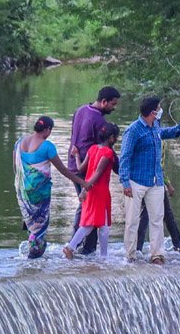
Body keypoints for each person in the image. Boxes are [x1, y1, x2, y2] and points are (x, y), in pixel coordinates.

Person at [119, 97, 180, 264]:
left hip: (155, 182)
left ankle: (157, 255)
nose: (160, 111)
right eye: (159, 109)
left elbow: (164, 133)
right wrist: (125, 183)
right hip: (136, 181)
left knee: (157, 219)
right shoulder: (133, 130)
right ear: (153, 113)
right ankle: (130, 255)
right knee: (132, 221)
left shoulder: (155, 127)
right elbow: (124, 158)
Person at [13, 116, 89, 259]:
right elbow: (64, 171)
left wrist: (23, 189)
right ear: (47, 129)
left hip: (23, 192)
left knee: (32, 225)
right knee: (39, 228)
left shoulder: (19, 143)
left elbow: (15, 170)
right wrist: (82, 182)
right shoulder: (47, 146)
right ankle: (34, 257)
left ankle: (30, 260)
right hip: (40, 194)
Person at [67, 86, 121, 255]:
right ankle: (85, 249)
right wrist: (120, 168)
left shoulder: (80, 110)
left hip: (75, 165)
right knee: (88, 210)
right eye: (113, 104)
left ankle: (78, 246)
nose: (114, 107)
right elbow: (107, 150)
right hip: (88, 171)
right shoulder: (99, 122)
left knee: (85, 208)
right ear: (103, 102)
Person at [64, 123, 118, 259]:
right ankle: (101, 255)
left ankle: (73, 248)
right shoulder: (108, 152)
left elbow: (81, 168)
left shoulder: (92, 149)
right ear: (111, 138)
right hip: (99, 191)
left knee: (93, 224)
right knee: (99, 226)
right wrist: (87, 187)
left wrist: (76, 155)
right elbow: (98, 173)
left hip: (89, 191)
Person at [134, 146, 180, 255]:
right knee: (158, 214)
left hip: (151, 181)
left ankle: (138, 249)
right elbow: (159, 166)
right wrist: (168, 184)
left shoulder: (157, 137)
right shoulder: (157, 138)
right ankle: (178, 245)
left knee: (149, 215)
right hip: (152, 182)